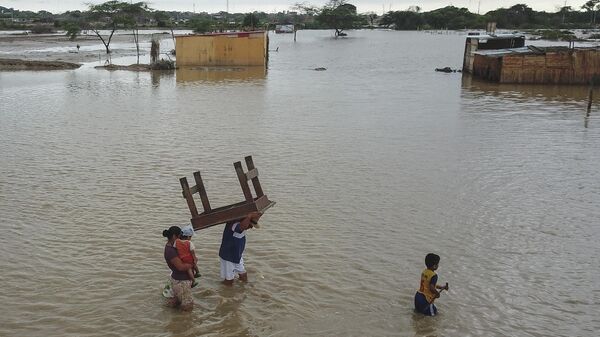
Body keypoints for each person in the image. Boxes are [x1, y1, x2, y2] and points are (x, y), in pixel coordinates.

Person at [218, 211, 262, 286]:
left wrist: (256, 215)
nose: (251, 227)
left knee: (243, 275)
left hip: (237, 256)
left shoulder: (243, 225)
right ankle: (225, 294)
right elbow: (240, 228)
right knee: (229, 281)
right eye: (251, 225)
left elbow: (243, 227)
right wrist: (249, 216)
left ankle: (243, 290)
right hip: (228, 256)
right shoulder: (234, 224)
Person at [163, 226, 194, 311]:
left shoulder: (172, 247)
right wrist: (192, 264)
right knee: (188, 308)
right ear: (174, 236)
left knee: (176, 304)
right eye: (179, 236)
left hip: (177, 280)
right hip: (181, 281)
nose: (181, 238)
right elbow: (180, 267)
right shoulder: (171, 251)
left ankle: (175, 322)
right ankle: (183, 323)